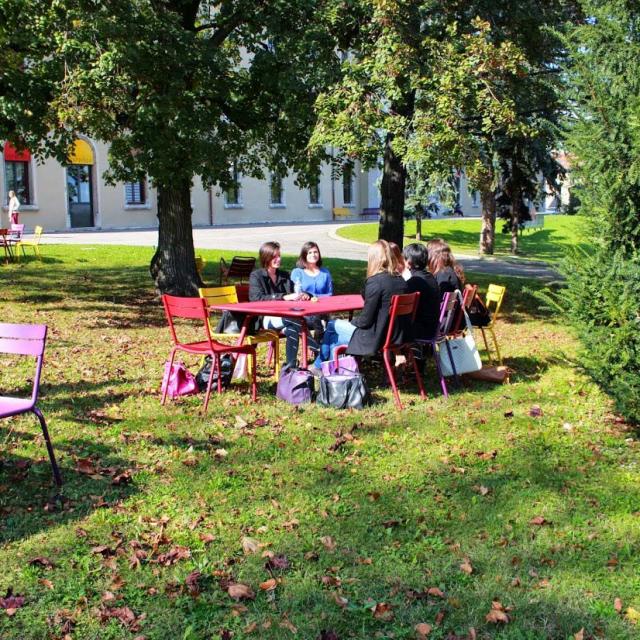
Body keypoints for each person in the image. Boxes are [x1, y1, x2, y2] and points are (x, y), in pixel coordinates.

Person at [313, 239, 408, 369]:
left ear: (373, 258)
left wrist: (351, 321)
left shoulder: (376, 282)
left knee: (332, 325)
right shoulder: (400, 280)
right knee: (334, 342)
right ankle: (330, 369)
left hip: (375, 337)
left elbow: (365, 320)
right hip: (395, 335)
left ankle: (319, 367)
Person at [248, 241, 319, 370]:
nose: (278, 259)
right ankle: (319, 352)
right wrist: (283, 297)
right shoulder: (256, 276)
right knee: (295, 320)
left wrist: (305, 295)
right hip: (265, 318)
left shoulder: (284, 276)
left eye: (279, 256)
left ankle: (291, 365)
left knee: (295, 325)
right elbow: (256, 299)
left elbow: (295, 292)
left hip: (286, 317)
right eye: (275, 257)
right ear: (266, 257)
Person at [403, 243, 440, 341]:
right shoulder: (430, 277)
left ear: (409, 262)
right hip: (432, 327)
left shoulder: (414, 282)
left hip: (420, 329)